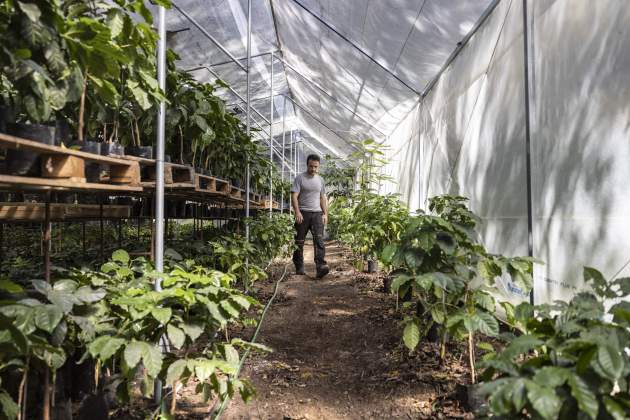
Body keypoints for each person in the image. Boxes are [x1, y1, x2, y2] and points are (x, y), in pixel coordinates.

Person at [291, 154, 330, 278]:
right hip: (303, 213)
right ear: (307, 165)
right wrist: (297, 212)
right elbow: (294, 196)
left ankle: (321, 267)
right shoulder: (300, 178)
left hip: (317, 213)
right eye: (311, 166)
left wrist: (325, 213)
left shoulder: (320, 180)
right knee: (299, 241)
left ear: (318, 166)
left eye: (316, 167)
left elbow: (322, 198)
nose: (313, 169)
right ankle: (299, 267)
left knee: (319, 240)